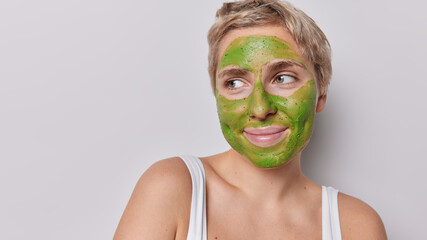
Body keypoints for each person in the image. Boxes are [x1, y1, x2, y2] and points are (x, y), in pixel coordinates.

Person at [114, 0, 388, 239]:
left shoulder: (356, 226)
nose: (259, 108)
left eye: (283, 78)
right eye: (235, 83)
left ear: (321, 94)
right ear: (217, 95)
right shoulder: (173, 188)